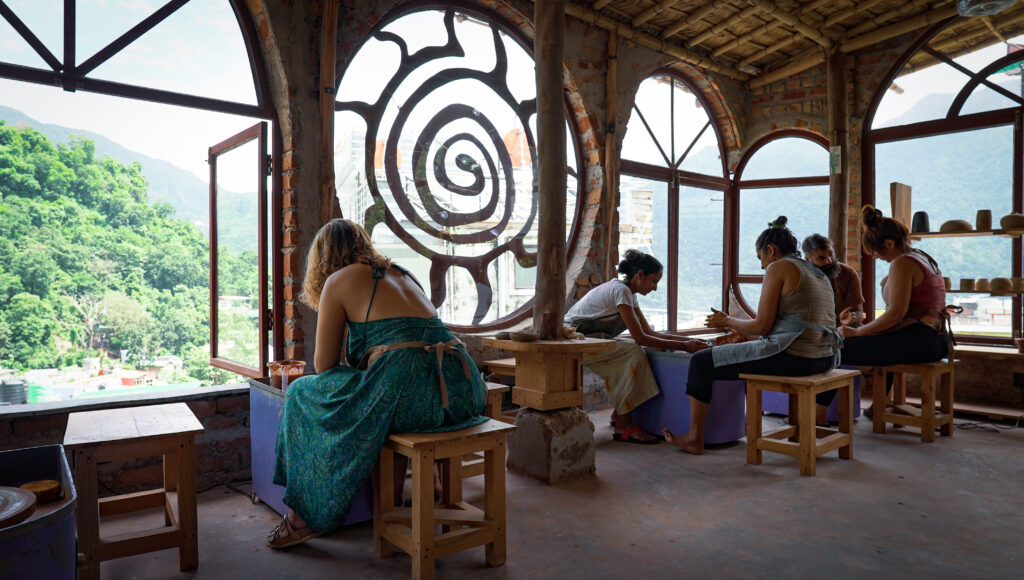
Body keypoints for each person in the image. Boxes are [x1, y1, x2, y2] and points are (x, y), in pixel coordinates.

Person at [267, 218, 487, 549]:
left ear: (322, 258)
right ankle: (433, 481)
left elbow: (324, 365)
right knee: (387, 392)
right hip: (464, 388)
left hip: (410, 392)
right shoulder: (401, 272)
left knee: (300, 392)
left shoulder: (338, 280)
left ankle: (303, 516)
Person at [663, 217, 842, 454]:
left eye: (761, 258)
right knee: (745, 356)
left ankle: (694, 438)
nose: (762, 266)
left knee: (701, 362)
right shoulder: (817, 272)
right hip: (826, 357)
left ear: (771, 250)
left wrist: (726, 320)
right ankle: (750, 424)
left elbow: (761, 327)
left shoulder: (779, 267)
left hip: (798, 358)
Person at [565, 249, 710, 444]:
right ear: (640, 274)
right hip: (572, 340)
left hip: (592, 339)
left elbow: (648, 333)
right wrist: (684, 345)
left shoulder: (628, 294)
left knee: (631, 350)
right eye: (654, 281)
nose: (655, 288)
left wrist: (682, 341)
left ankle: (620, 413)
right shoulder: (620, 290)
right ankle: (623, 424)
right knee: (632, 352)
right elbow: (641, 338)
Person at [839, 205, 950, 366]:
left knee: (836, 350)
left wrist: (857, 332)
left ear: (889, 244)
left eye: (876, 252)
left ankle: (858, 388)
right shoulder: (922, 256)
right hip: (939, 339)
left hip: (922, 341)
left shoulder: (902, 262)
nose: (878, 257)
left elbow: (896, 314)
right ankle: (876, 388)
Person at [802, 233, 865, 326]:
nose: (830, 260)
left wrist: (851, 318)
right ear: (808, 260)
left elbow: (860, 313)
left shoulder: (848, 273)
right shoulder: (800, 276)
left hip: (843, 330)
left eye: (831, 254)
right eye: (821, 258)